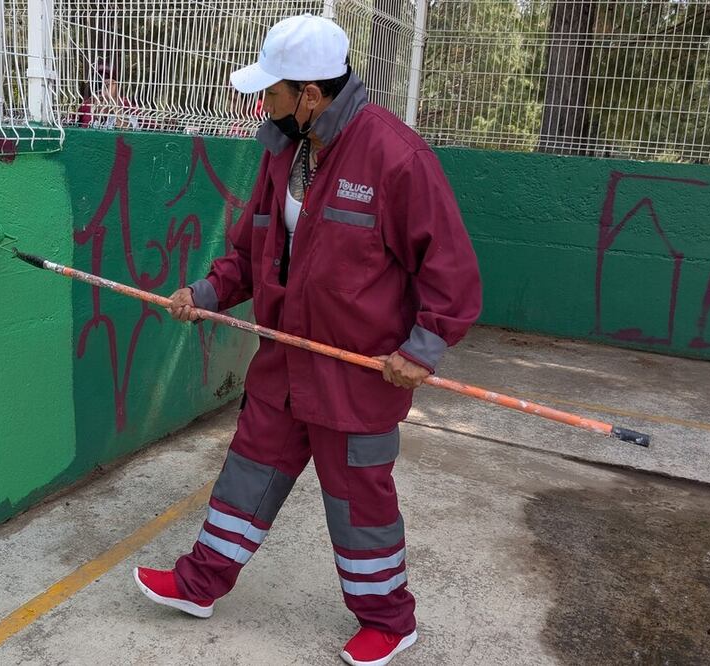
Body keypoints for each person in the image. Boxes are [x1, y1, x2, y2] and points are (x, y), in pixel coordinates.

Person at [132, 14, 481, 666]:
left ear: (310, 94)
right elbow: (248, 251)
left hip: (357, 376)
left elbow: (451, 273)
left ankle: (387, 619)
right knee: (246, 476)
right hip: (283, 361)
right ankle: (199, 583)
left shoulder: (395, 157)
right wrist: (204, 294)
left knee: (359, 504)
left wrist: (422, 349)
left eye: (271, 91)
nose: (261, 102)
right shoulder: (283, 151)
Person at [75, 60, 140, 130]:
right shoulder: (87, 105)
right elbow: (72, 124)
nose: (101, 88)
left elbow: (143, 126)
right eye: (97, 83)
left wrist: (114, 101)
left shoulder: (125, 104)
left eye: (107, 85)